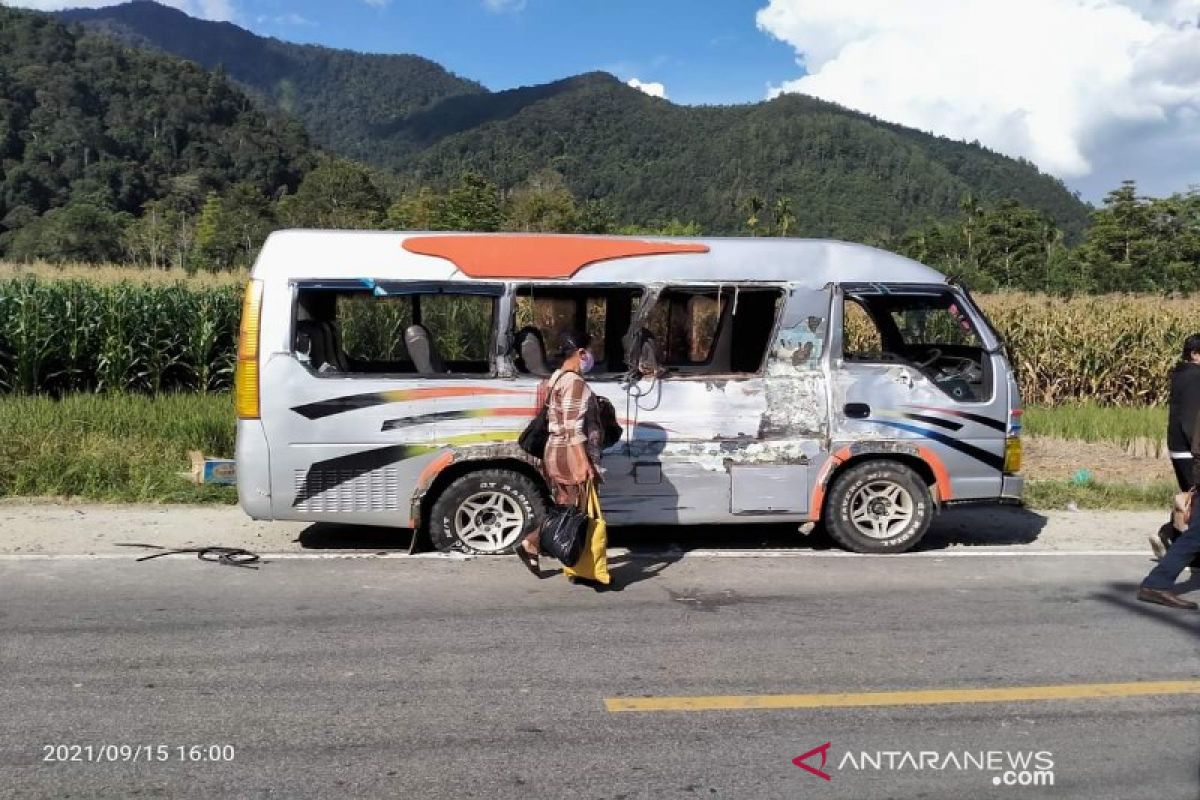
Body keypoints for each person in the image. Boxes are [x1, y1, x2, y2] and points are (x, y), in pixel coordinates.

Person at [515, 330, 603, 578]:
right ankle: (533, 543)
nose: (591, 358)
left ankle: (572, 560)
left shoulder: (556, 378)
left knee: (566, 508)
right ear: (581, 353)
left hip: (557, 449)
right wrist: (583, 462)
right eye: (590, 351)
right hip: (569, 452)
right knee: (573, 511)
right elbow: (572, 427)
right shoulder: (574, 382)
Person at [1150, 334, 1200, 558]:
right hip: (1189, 448)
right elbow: (1191, 417)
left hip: (1178, 446)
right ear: (1195, 354)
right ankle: (1171, 536)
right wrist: (1196, 448)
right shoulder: (1195, 377)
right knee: (1195, 502)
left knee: (1191, 498)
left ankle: (1172, 536)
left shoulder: (1181, 374)